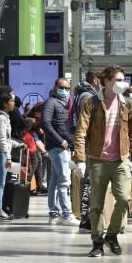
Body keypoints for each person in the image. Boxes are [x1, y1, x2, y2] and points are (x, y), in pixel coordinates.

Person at [73, 64, 132, 257]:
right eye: (119, 80)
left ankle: (111, 236)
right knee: (96, 204)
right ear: (107, 82)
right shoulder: (92, 103)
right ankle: (97, 242)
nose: (124, 84)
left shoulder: (127, 104)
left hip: (121, 159)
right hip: (97, 160)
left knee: (124, 199)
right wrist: (80, 159)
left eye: (123, 80)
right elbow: (80, 132)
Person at [41, 78, 79, 226]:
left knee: (55, 181)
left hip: (61, 146)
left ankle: (53, 214)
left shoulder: (63, 102)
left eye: (67, 88)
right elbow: (45, 123)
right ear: (55, 86)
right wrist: (60, 140)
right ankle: (67, 215)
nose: (65, 90)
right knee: (64, 181)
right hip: (58, 147)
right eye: (62, 87)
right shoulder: (51, 102)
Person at [0, 93, 26, 222]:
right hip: (0, 153)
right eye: (11, 101)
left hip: (1, 152)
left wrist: (17, 144)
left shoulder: (3, 117)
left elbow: (6, 139)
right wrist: (8, 156)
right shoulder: (0, 118)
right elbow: (1, 139)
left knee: (1, 184)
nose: (14, 103)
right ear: (5, 104)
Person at [23, 119, 43, 195]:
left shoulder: (31, 132)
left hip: (32, 148)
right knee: (35, 162)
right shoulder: (30, 133)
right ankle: (28, 184)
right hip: (31, 149)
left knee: (37, 161)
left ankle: (39, 185)